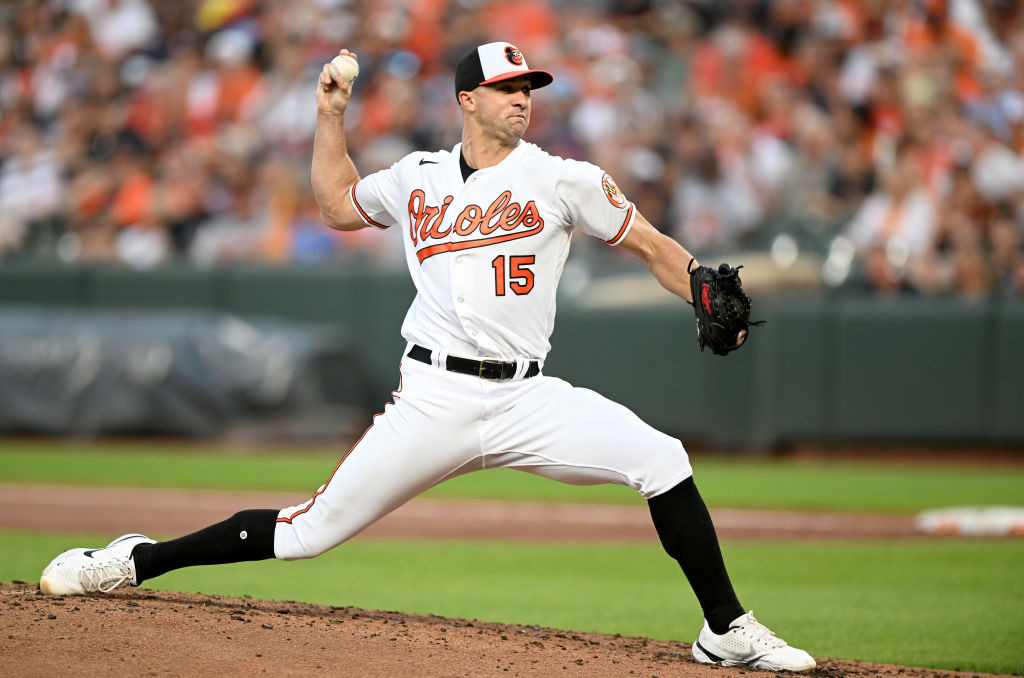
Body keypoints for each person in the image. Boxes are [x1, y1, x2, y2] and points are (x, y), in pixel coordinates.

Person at [39, 42, 814, 672]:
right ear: (467, 100)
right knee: (308, 533)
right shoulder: (419, 177)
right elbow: (338, 205)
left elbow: (651, 245)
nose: (522, 97)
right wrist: (330, 118)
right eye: (506, 86)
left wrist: (699, 291)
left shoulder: (564, 178)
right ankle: (133, 561)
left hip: (528, 400)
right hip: (434, 398)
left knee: (662, 457)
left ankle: (727, 629)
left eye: (529, 87)